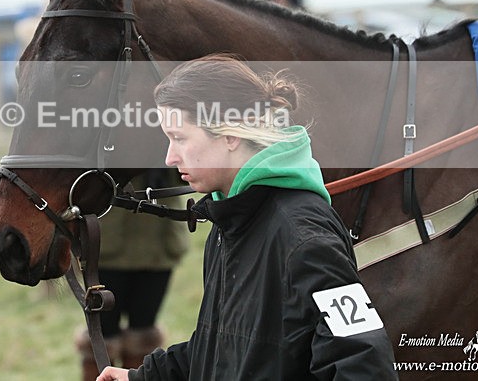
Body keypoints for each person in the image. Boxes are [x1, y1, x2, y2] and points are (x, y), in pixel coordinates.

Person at [98, 54, 397, 380]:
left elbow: (365, 366)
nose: (170, 157)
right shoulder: (228, 223)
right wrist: (142, 378)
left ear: (230, 134)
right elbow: (223, 348)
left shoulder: (303, 236)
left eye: (180, 138)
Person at [75, 170, 188, 381]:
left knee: (143, 335)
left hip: (158, 247)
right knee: (101, 336)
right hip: (106, 249)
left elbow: (188, 173)